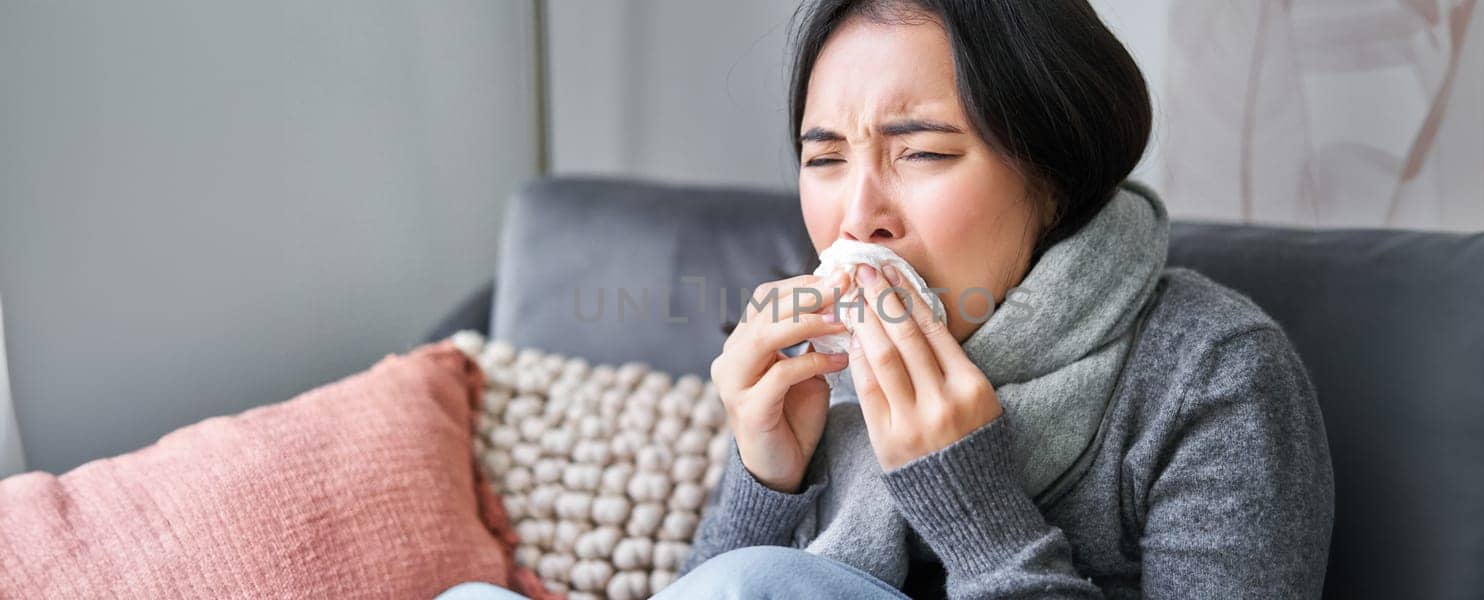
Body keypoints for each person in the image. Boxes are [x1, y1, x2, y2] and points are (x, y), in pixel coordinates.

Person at [442, 0, 1334, 598]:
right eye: (825, 158)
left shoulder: (1212, 374)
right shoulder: (820, 369)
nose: (857, 216)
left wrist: (970, 501)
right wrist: (765, 478)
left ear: (1056, 172)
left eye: (924, 153)